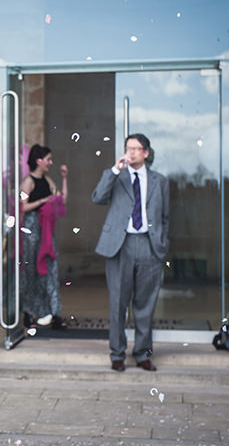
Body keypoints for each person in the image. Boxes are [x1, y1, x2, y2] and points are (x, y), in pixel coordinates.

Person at [91, 133, 169, 372]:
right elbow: (97, 198)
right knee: (118, 303)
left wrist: (161, 243)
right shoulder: (117, 177)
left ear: (146, 153)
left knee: (145, 304)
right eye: (128, 148)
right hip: (120, 246)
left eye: (136, 148)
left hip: (149, 244)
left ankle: (143, 353)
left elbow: (165, 216)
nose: (131, 152)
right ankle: (117, 354)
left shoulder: (159, 181)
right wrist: (114, 170)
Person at [19, 144, 68, 329]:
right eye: (48, 159)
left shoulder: (48, 180)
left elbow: (62, 199)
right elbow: (21, 206)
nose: (50, 162)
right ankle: (29, 312)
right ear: (39, 161)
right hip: (31, 231)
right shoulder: (27, 182)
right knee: (31, 272)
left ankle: (54, 312)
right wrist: (41, 201)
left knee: (51, 270)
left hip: (46, 230)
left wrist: (64, 178)